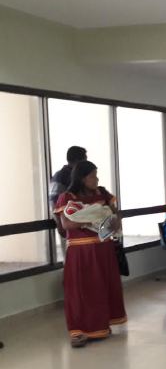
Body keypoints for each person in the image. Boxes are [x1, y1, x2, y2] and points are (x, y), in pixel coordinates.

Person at [54, 160, 126, 348]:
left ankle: (100, 325)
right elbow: (67, 224)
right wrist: (91, 220)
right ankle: (78, 331)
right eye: (93, 175)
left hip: (103, 248)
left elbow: (115, 215)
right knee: (79, 290)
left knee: (101, 287)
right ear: (82, 178)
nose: (96, 179)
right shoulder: (67, 197)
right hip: (80, 251)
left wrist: (112, 222)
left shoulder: (102, 193)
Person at [50, 146, 87, 237]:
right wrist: (60, 224)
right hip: (68, 224)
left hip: (81, 223)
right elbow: (54, 202)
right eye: (85, 160)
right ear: (77, 160)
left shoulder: (80, 175)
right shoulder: (61, 176)